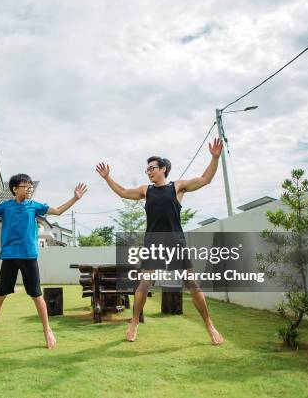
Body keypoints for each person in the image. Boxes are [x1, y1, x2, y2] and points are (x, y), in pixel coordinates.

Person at [95, 138, 224, 345]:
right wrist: (108, 178)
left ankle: (209, 325)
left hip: (176, 242)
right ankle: (134, 322)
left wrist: (215, 158)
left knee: (191, 283)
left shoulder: (178, 187)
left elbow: (205, 179)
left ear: (163, 169)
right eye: (147, 169)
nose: (148, 172)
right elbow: (122, 192)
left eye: (152, 168)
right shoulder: (146, 191)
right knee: (145, 282)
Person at [0, 174, 87, 349]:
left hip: (29, 256)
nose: (29, 188)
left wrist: (75, 198)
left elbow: (58, 211)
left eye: (30, 185)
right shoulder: (6, 206)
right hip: (9, 256)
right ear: (15, 189)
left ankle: (47, 330)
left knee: (37, 295)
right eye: (25, 186)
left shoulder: (34, 206)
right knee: (0, 296)